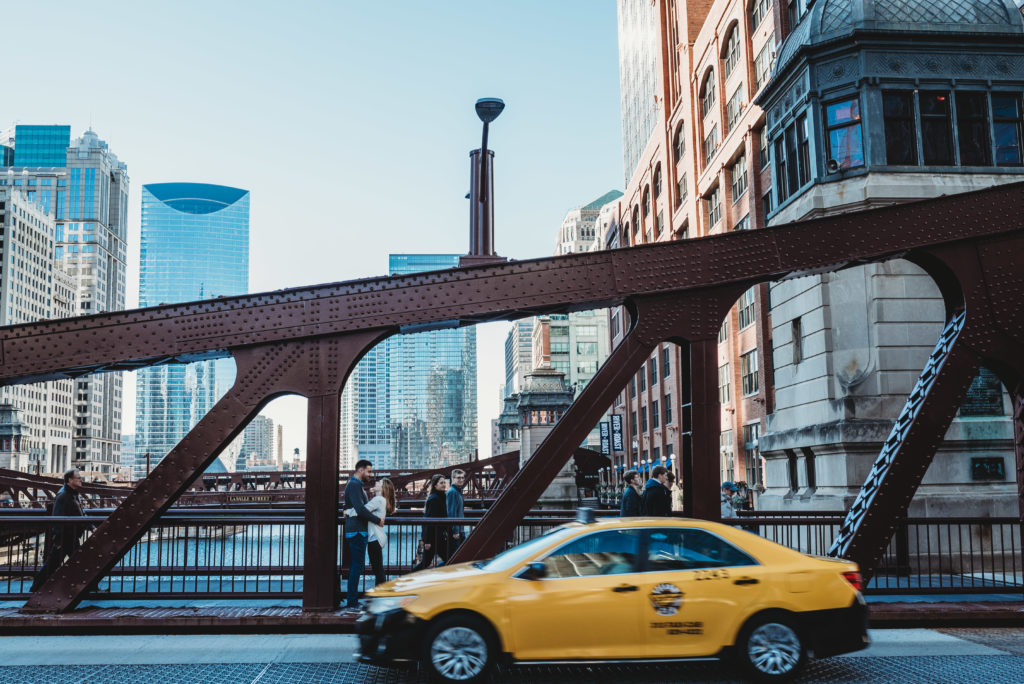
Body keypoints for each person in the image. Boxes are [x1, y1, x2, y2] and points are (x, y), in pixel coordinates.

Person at [30, 469, 87, 592]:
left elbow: (81, 514)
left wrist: (91, 526)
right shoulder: (64, 495)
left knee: (63, 564)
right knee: (58, 564)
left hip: (71, 536)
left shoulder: (72, 493)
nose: (81, 480)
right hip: (66, 537)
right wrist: (58, 539)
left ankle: (35, 588)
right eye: (78, 478)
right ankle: (35, 588)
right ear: (70, 480)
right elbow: (57, 518)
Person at [343, 459, 384, 611]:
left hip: (358, 530)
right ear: (360, 470)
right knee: (357, 566)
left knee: (357, 566)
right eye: (369, 471)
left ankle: (352, 600)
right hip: (357, 531)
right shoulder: (354, 485)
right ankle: (352, 602)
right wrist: (377, 520)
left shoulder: (355, 485)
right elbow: (360, 509)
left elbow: (354, 506)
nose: (370, 474)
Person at [356, 477, 396, 587]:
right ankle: (380, 593)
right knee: (378, 568)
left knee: (377, 569)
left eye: (380, 482)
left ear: (383, 488)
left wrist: (347, 511)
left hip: (374, 537)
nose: (376, 482)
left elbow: (361, 511)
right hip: (378, 537)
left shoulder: (378, 499)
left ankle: (382, 594)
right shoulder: (381, 499)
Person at [412, 474, 449, 572]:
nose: (444, 485)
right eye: (441, 483)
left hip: (438, 536)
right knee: (449, 559)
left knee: (426, 562)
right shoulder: (434, 499)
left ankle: (408, 578)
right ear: (435, 485)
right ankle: (407, 578)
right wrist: (427, 541)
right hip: (434, 538)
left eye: (444, 482)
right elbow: (428, 520)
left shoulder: (441, 496)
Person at [446, 469, 467, 553]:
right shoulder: (452, 492)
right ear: (452, 478)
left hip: (460, 530)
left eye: (462, 477)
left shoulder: (457, 491)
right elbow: (451, 513)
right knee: (455, 558)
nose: (461, 480)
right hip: (456, 532)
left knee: (458, 556)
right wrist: (455, 531)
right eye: (458, 478)